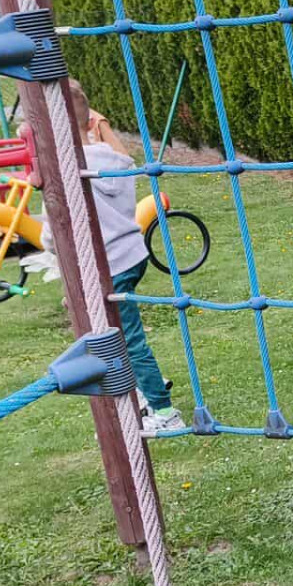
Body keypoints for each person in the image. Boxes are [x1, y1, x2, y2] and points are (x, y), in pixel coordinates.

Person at [67, 82, 182, 435]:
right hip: (132, 252)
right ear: (92, 123)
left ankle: (165, 411)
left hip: (108, 263)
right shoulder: (113, 159)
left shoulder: (69, 170)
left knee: (125, 338)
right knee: (111, 332)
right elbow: (125, 162)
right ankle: (144, 386)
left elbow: (55, 229)